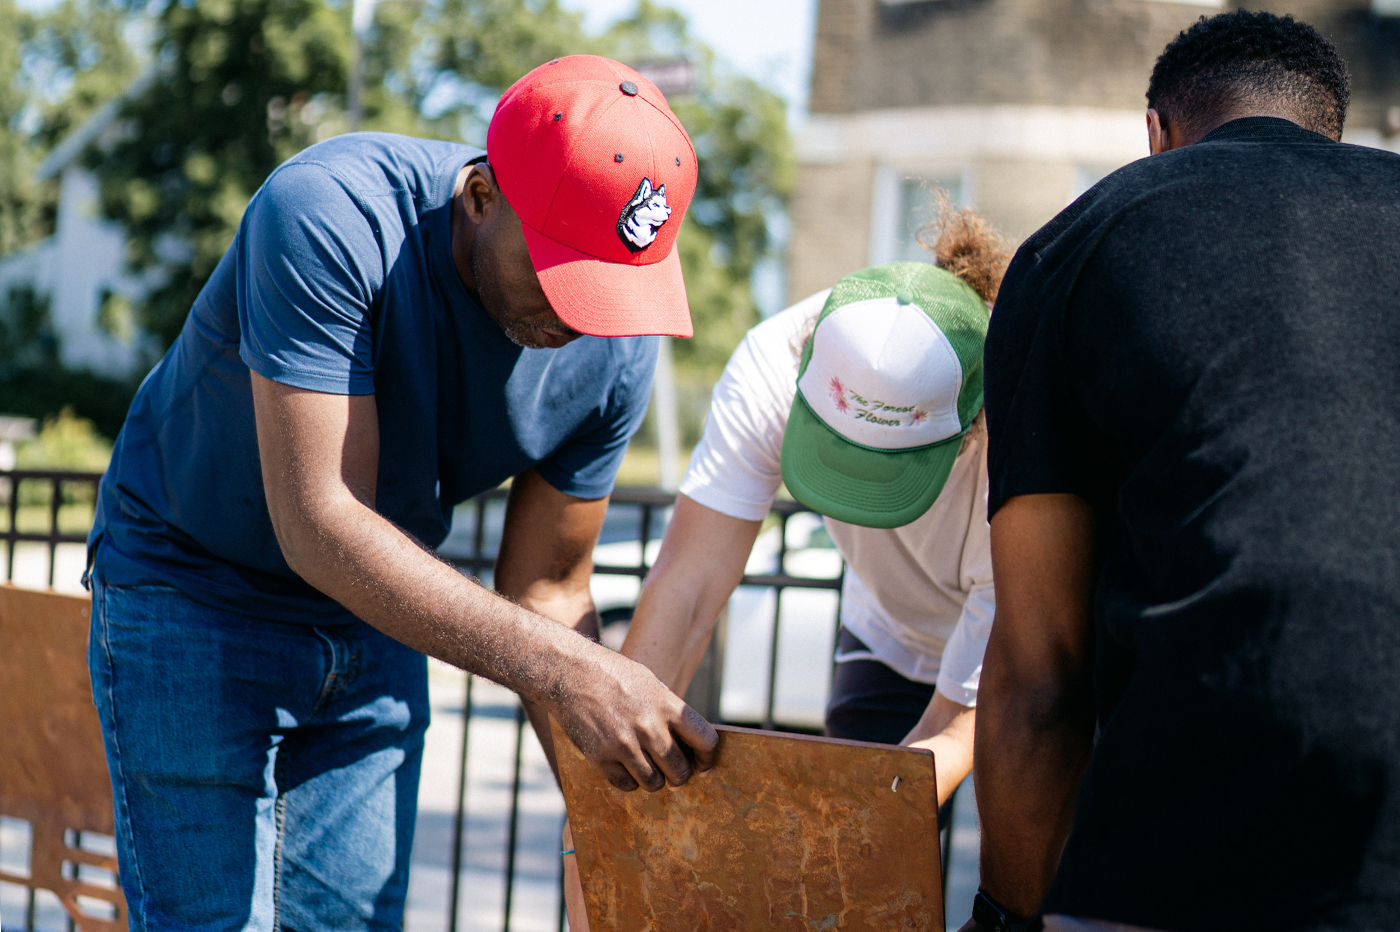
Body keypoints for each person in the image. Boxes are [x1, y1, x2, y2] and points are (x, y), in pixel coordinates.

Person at [85, 55, 719, 931]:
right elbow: (321, 522)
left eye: (608, 282)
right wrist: (576, 670)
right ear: (483, 198)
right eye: (562, 272)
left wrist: (604, 813)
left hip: (376, 616)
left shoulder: (614, 334)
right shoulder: (329, 214)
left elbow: (548, 588)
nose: (581, 318)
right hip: (194, 592)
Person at [967, 11, 1400, 932]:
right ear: (1333, 131)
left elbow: (1041, 679)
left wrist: (1008, 919)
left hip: (1191, 829)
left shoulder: (1079, 244)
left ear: (1155, 134)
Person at [564, 205, 1009, 930]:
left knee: (1022, 877)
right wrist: (606, 808)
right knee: (858, 898)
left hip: (1042, 649)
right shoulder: (777, 358)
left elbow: (958, 725)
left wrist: (810, 841)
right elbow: (688, 587)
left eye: (886, 471)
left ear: (968, 426)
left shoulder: (1021, 425)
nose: (861, 504)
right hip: (891, 631)